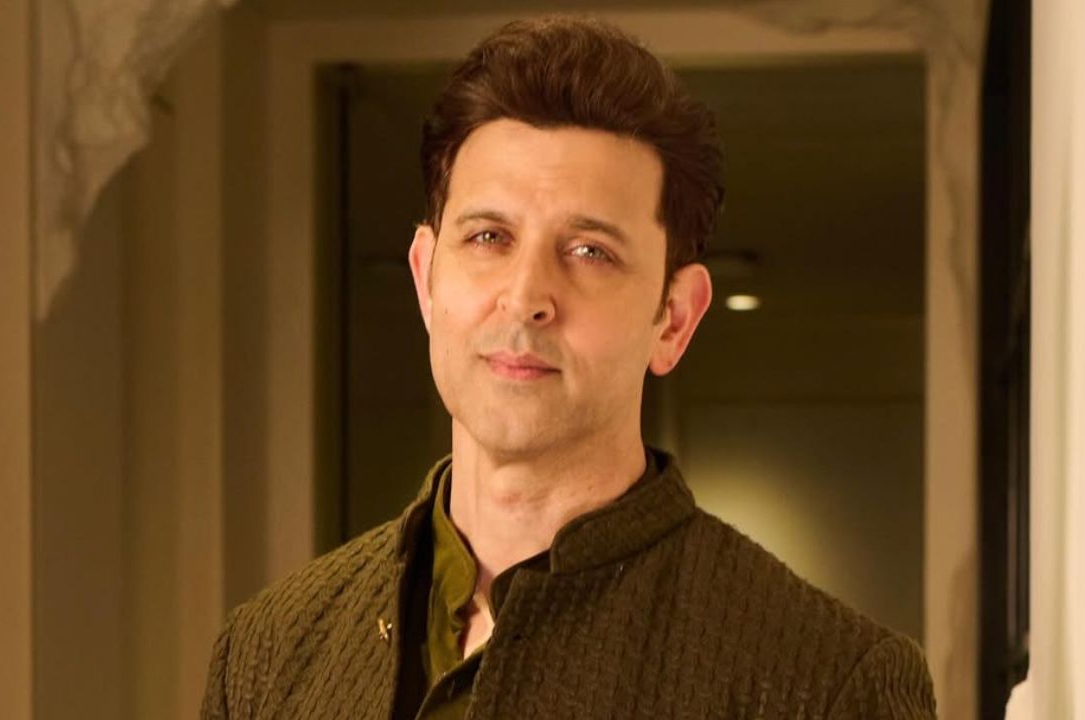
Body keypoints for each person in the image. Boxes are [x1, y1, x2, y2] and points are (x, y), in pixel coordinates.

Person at [201, 15, 936, 720]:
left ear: (674, 319)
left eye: (590, 252)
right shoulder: (267, 651)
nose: (526, 298)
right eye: (489, 237)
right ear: (426, 279)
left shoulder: (830, 683)